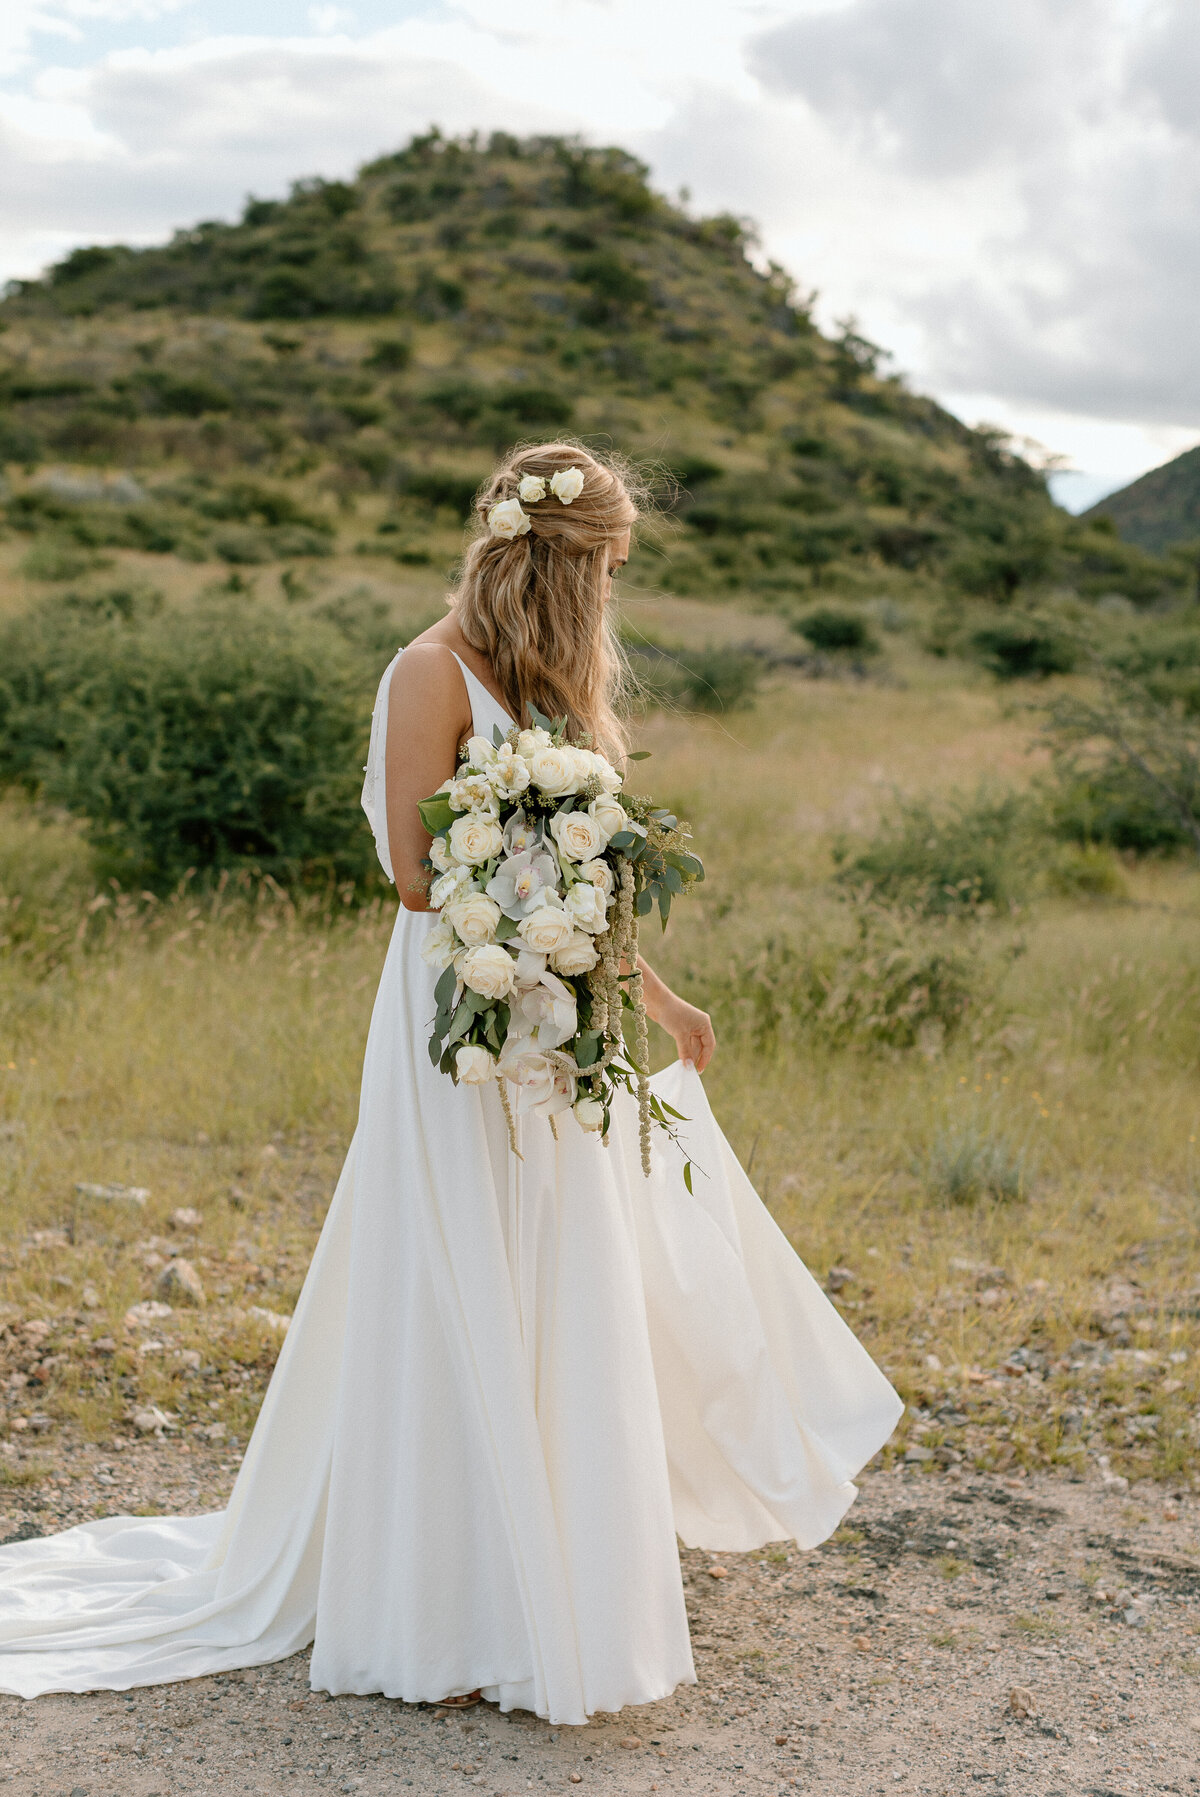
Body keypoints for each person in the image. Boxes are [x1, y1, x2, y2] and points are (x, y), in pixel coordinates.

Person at [0, 441, 901, 1722]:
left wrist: (650, 990)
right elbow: (418, 876)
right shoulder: (428, 673)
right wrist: (530, 861)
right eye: (606, 567)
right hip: (453, 1002)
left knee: (561, 1264)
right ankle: (445, 1589)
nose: (610, 594)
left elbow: (603, 872)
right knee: (452, 1261)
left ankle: (554, 1568)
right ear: (556, 558)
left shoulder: (557, 685)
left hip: (556, 1012)